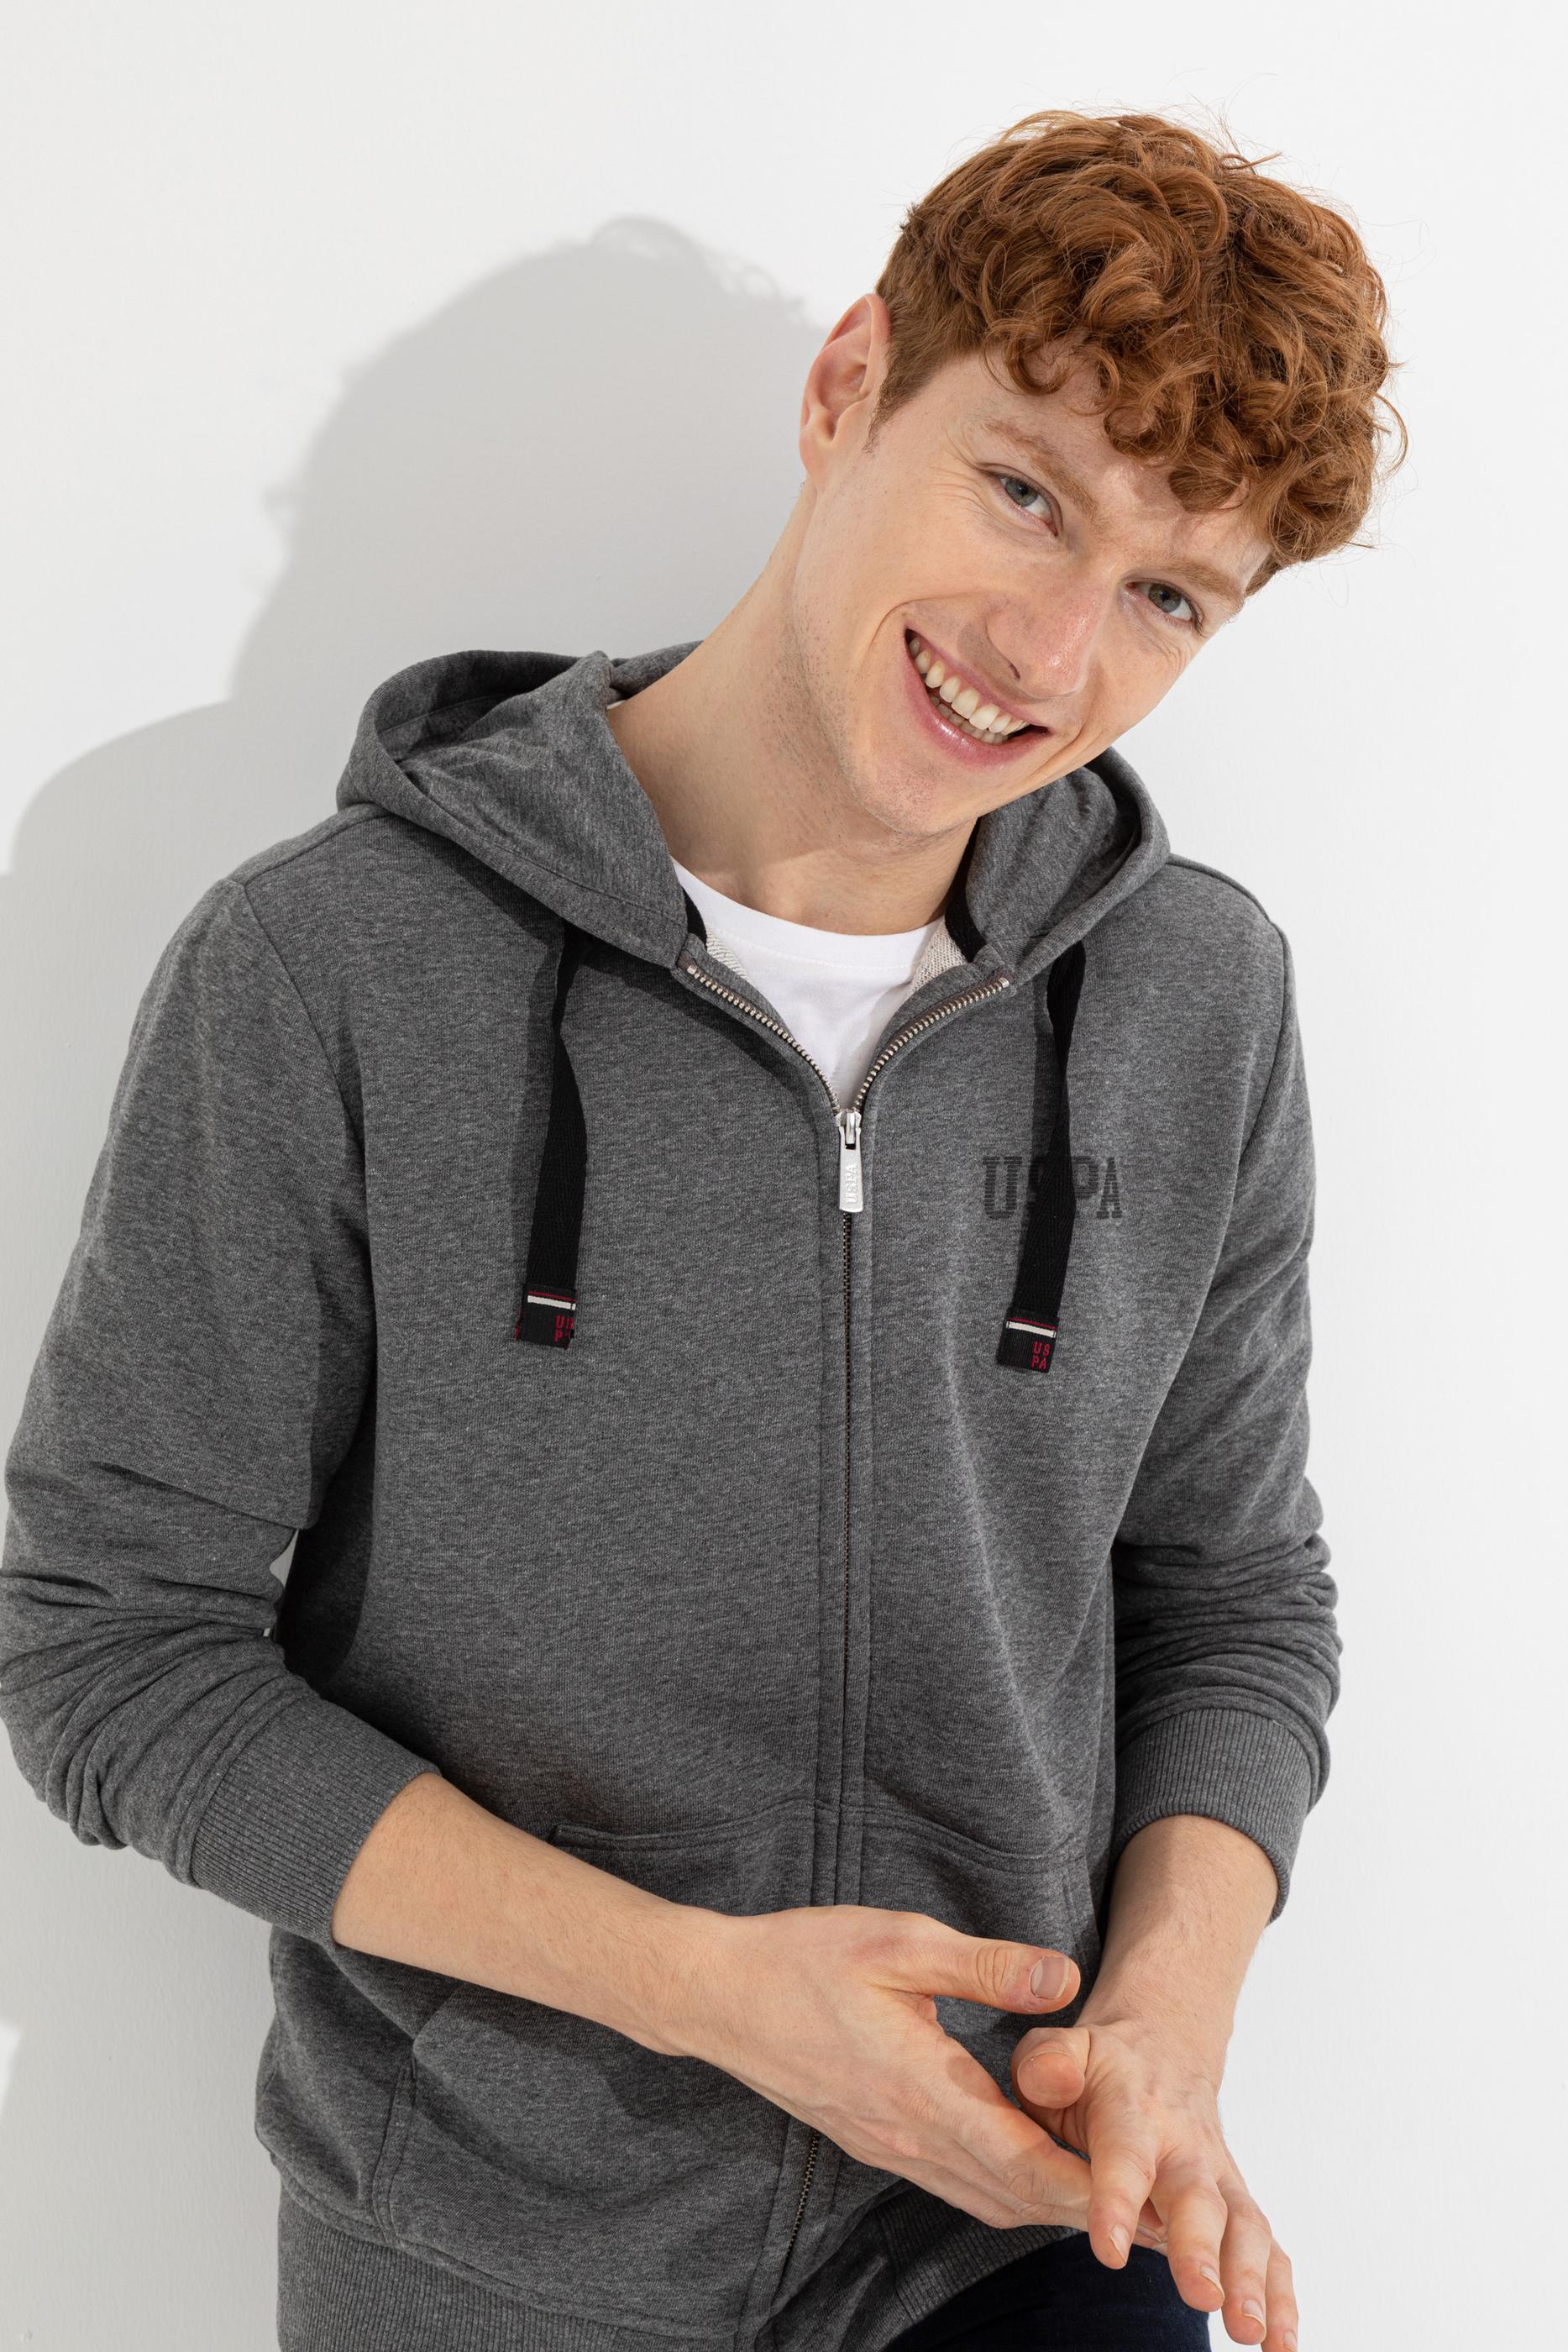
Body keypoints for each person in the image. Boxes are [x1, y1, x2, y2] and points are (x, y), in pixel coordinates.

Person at [0, 107, 1400, 2352]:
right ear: (848, 385)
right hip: (491, 2245)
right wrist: (704, 1993)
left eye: (1169, 597)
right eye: (1026, 491)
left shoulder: (1190, 1000)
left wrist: (1163, 2021)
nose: (1050, 651)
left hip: (1000, 2215)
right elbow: (107, 1646)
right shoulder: (334, 968)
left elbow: (1230, 1595)